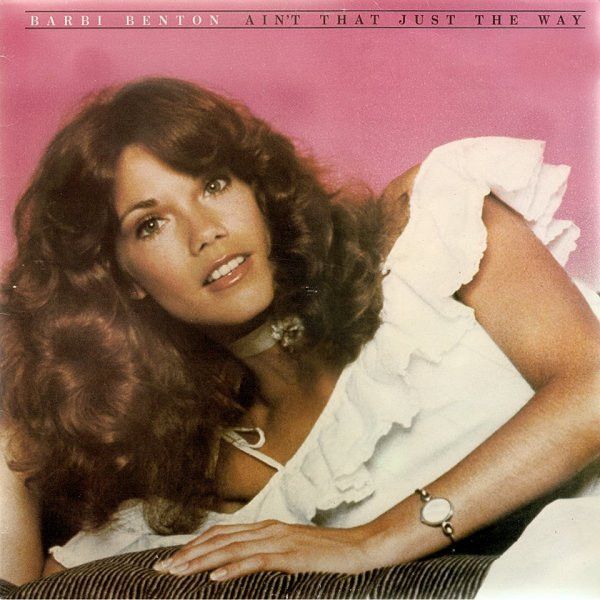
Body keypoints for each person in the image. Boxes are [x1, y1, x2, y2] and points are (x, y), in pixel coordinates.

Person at [1, 77, 599, 588]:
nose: (205, 232)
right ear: (122, 279)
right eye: (151, 224)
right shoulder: (211, 478)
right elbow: (31, 592)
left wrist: (374, 540)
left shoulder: (426, 231)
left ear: (257, 189)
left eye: (213, 184)